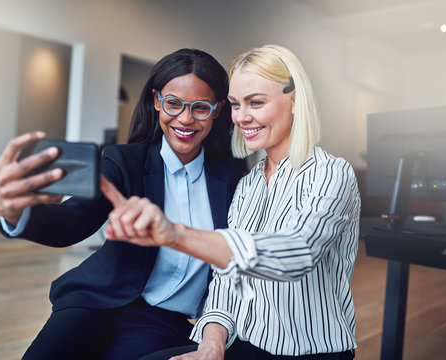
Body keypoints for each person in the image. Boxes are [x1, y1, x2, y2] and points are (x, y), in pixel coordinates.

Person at [101, 45, 360, 360]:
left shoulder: (332, 173)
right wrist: (211, 344)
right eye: (236, 105)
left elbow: (298, 251)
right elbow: (225, 280)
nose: (241, 117)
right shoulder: (247, 185)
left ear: (294, 100)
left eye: (256, 103)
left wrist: (176, 235)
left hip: (309, 353)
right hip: (246, 346)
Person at [0, 48, 244, 360]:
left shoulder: (233, 180)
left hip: (163, 321)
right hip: (96, 300)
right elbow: (75, 220)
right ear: (156, 101)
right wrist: (15, 212)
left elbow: (233, 263)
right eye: (174, 104)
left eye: (200, 108)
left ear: (218, 110)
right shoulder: (124, 160)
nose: (185, 119)